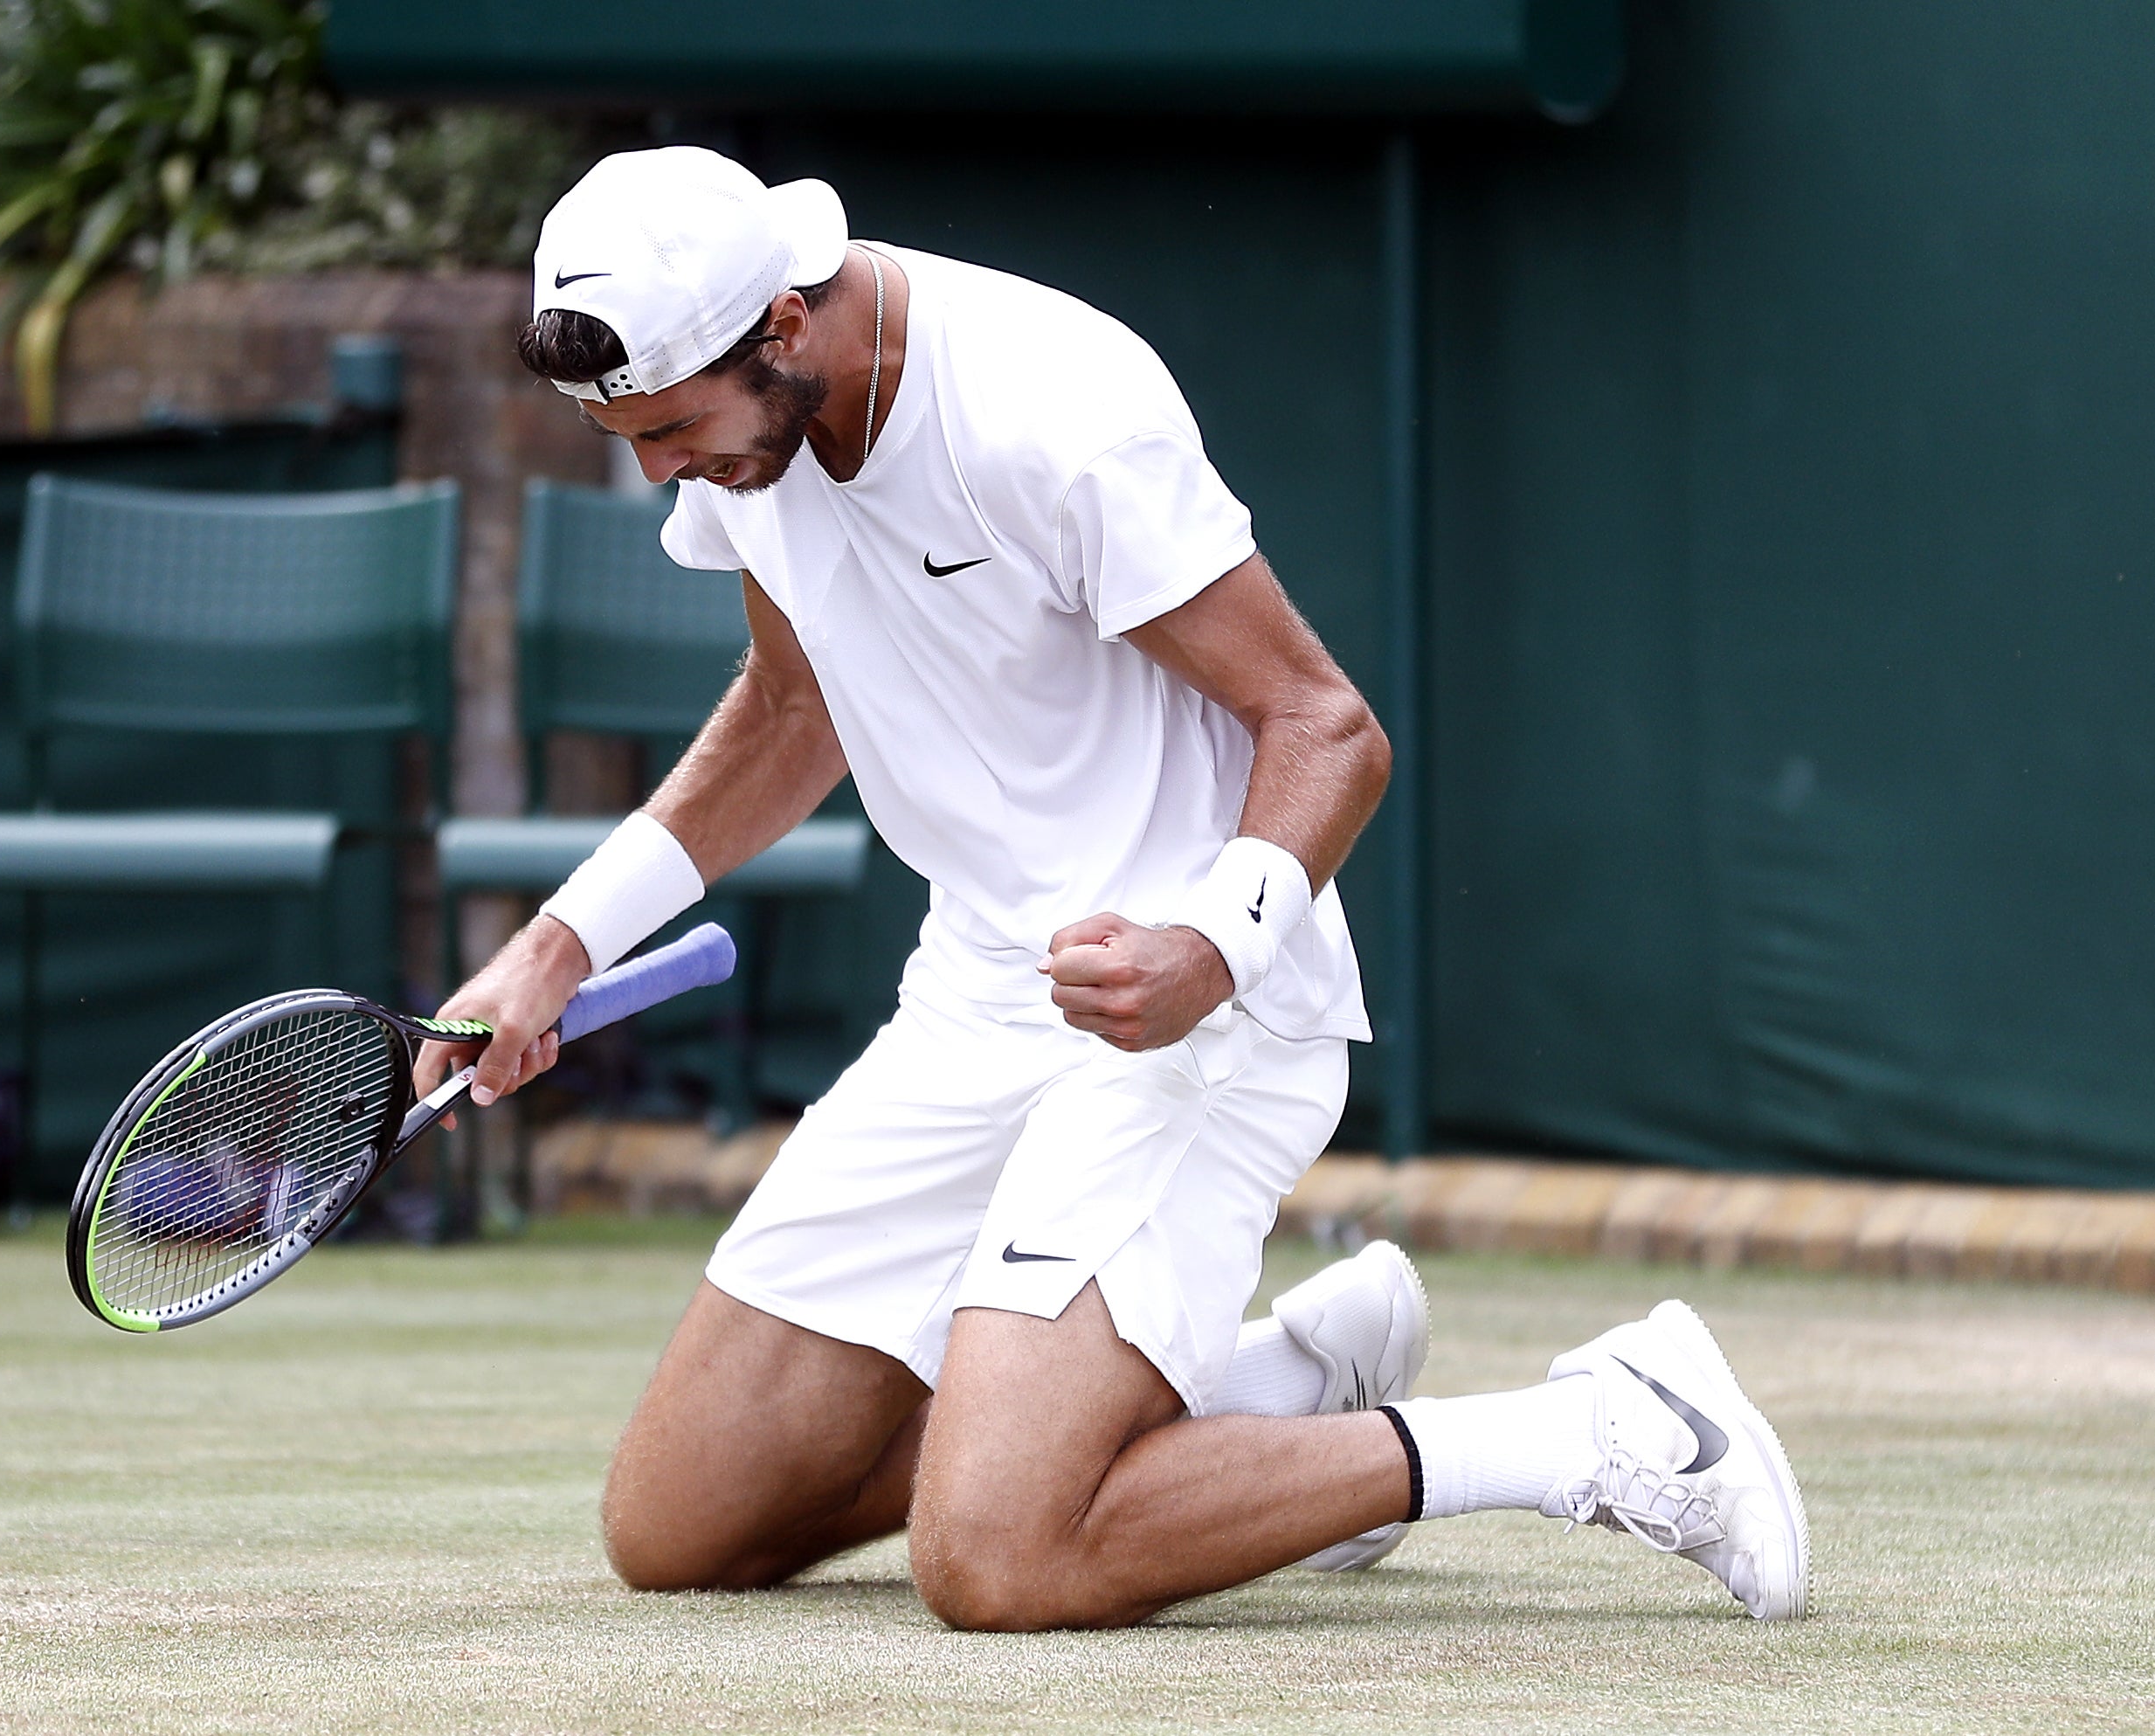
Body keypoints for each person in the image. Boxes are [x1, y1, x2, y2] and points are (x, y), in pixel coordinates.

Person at [414, 147, 1808, 1629]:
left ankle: (1596, 1428)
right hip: (974, 994)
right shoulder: (745, 434)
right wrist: (560, 945)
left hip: (1193, 1012)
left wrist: (1208, 949)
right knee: (682, 1521)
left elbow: (1324, 726)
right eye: (626, 435)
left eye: (672, 428)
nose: (656, 471)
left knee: (999, 1557)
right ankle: (1269, 1398)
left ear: (786, 326)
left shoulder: (1052, 411)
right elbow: (786, 709)